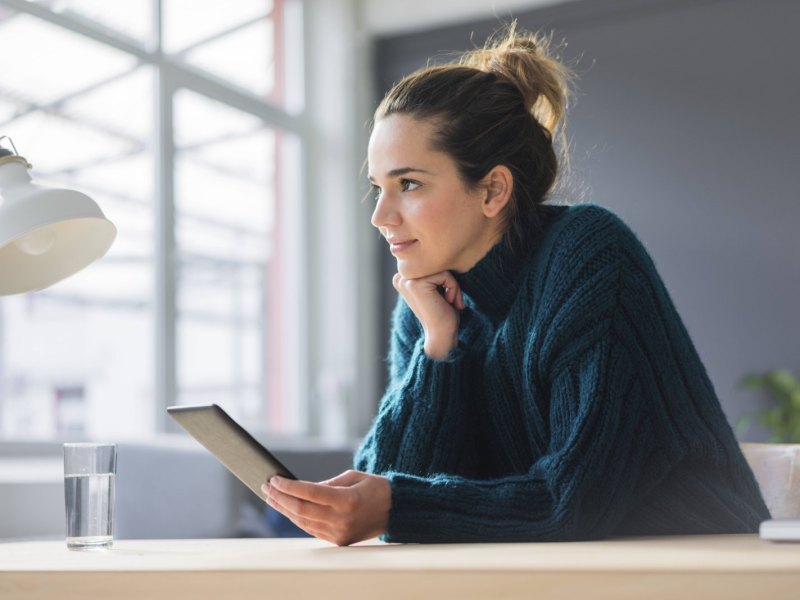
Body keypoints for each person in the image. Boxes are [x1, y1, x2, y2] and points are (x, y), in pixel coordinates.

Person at [261, 24, 771, 546]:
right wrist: (437, 351)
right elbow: (384, 496)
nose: (381, 216)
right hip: (553, 572)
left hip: (703, 566)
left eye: (409, 184)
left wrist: (395, 506)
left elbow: (574, 501)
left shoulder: (589, 255)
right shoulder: (427, 299)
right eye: (378, 188)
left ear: (493, 190)